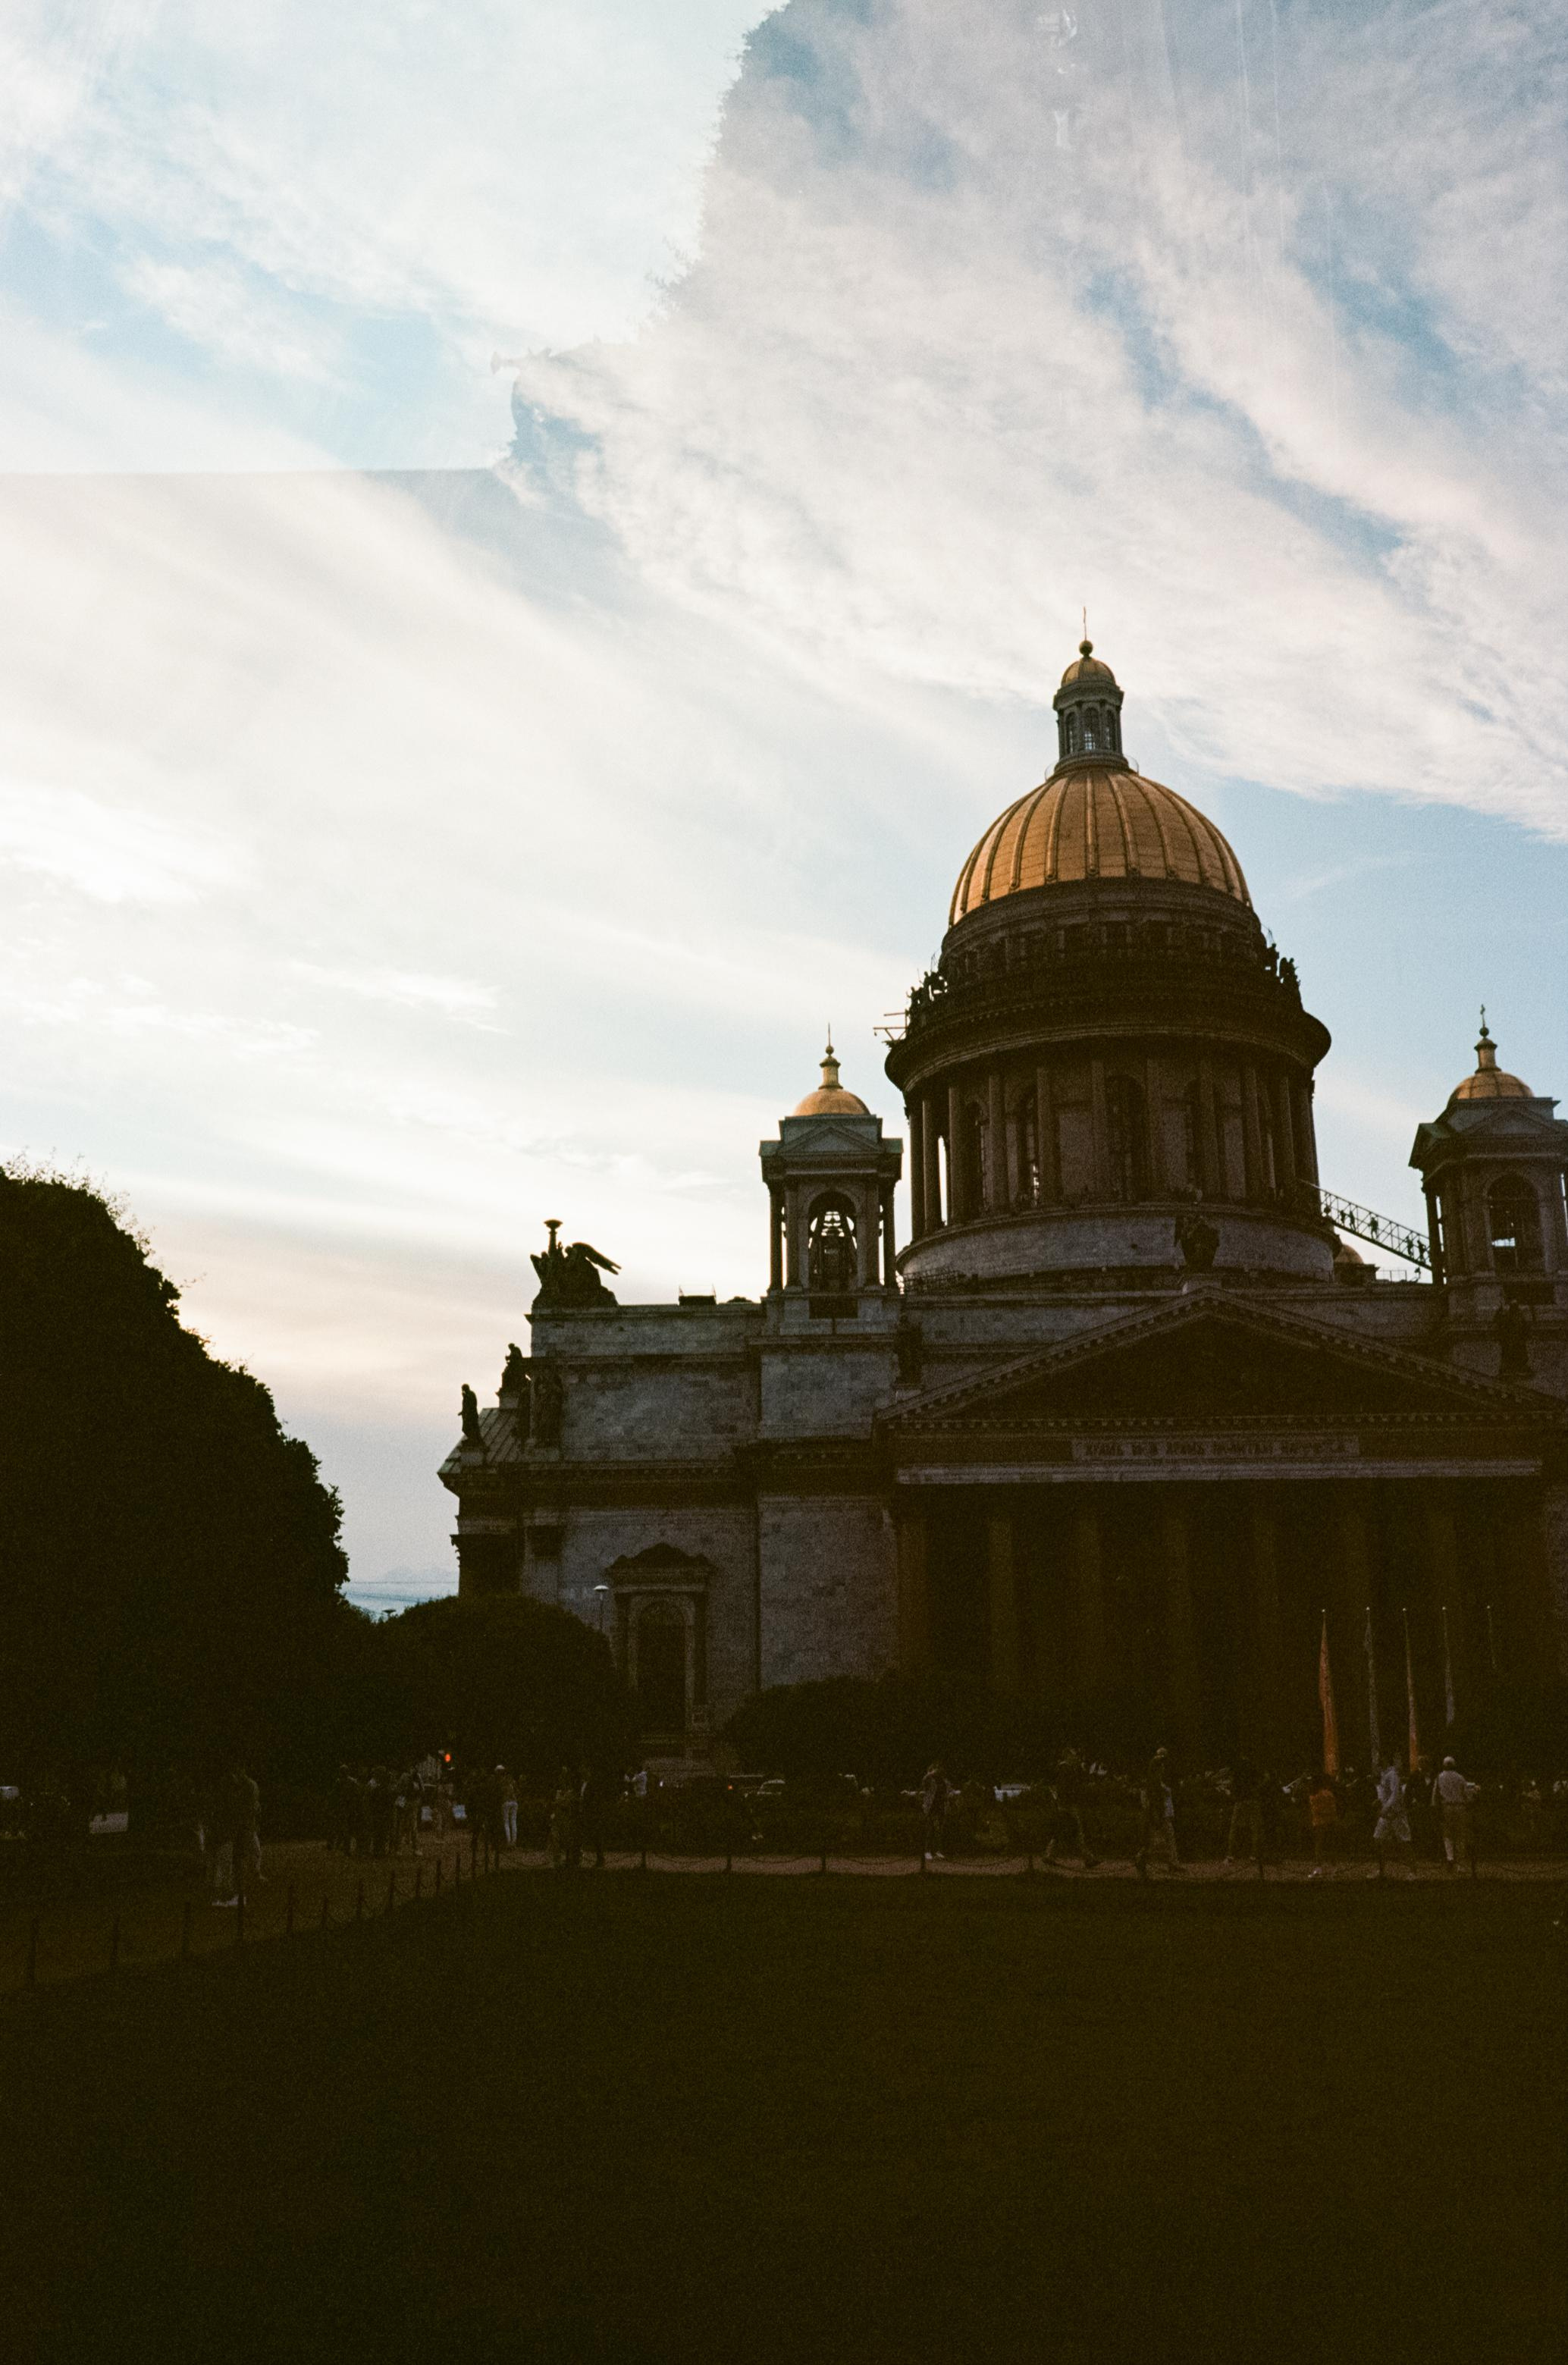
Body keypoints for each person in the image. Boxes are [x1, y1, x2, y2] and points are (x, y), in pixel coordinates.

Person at [1045, 1749, 1098, 1868]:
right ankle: (1088, 1858)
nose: (1076, 1758)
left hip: (1063, 1805)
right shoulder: (1066, 1769)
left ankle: (1049, 1855)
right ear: (1068, 1756)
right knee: (1077, 1831)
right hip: (1068, 1805)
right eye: (1074, 1755)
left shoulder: (1061, 1769)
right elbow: (1068, 1789)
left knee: (1060, 1830)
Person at [1136, 1749, 1181, 1877]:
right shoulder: (1154, 1779)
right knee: (1154, 1840)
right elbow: (1154, 1799)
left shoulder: (1155, 1780)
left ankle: (1172, 1863)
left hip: (1159, 1811)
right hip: (1157, 1812)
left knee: (1164, 1837)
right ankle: (1140, 1859)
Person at [1372, 1761, 1413, 1878]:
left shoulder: (1392, 1775)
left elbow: (1395, 1795)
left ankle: (1412, 1871)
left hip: (1396, 1813)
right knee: (1379, 1840)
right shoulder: (1384, 1775)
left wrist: (1385, 1809)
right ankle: (1381, 1871)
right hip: (1386, 1814)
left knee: (1405, 1842)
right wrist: (1379, 1802)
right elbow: (1385, 1794)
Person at [1432, 1755, 1472, 1871]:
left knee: (1447, 1835)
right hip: (1460, 1807)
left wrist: (1434, 1808)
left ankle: (1450, 1858)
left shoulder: (1439, 1777)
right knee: (1460, 1835)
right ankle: (1461, 1863)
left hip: (1446, 1807)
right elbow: (1466, 1794)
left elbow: (1435, 1795)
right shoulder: (1460, 1777)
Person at [1224, 1757, 1262, 1867]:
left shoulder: (1237, 1774)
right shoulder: (1253, 1773)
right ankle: (1254, 1855)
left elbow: (1232, 1786)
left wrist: (1231, 1793)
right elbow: (1260, 1783)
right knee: (1254, 1829)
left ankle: (1230, 1855)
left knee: (1234, 1828)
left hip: (1240, 1801)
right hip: (1253, 1800)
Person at [548, 1767, 581, 1871]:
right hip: (557, 1818)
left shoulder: (571, 1792)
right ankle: (557, 1860)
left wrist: (559, 1803)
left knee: (568, 1840)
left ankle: (572, 1859)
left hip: (566, 1818)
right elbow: (554, 1804)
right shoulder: (558, 1792)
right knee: (555, 1839)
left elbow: (567, 1804)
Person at [1308, 1774, 1338, 1877]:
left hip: (1320, 1823)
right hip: (1329, 1821)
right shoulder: (1329, 1794)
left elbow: (1315, 1810)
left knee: (1320, 1846)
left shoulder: (1314, 1796)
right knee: (1330, 1845)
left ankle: (1319, 1868)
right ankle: (1333, 1868)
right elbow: (1334, 1809)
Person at [920, 1761, 950, 1862]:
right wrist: (931, 1773)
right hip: (931, 1807)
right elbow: (924, 1788)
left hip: (941, 1807)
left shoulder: (944, 1780)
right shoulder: (929, 1778)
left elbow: (949, 1791)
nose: (941, 1770)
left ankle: (938, 1851)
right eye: (939, 1768)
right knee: (930, 1829)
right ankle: (927, 1851)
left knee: (939, 1830)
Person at [499, 1767, 519, 1849]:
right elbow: (518, 1792)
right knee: (513, 1822)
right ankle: (514, 1842)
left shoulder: (503, 1782)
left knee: (506, 1823)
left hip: (506, 1802)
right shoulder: (513, 1782)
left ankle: (508, 1842)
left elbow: (501, 1792)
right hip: (514, 1802)